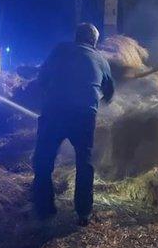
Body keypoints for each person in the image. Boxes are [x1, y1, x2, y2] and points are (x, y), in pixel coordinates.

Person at [32, 23, 115, 226]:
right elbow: (110, 92)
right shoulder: (101, 60)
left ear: (76, 37)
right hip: (84, 117)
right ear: (94, 42)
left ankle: (44, 209)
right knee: (84, 163)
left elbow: (42, 78)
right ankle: (83, 213)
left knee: (43, 159)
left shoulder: (60, 49)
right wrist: (97, 100)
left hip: (54, 112)